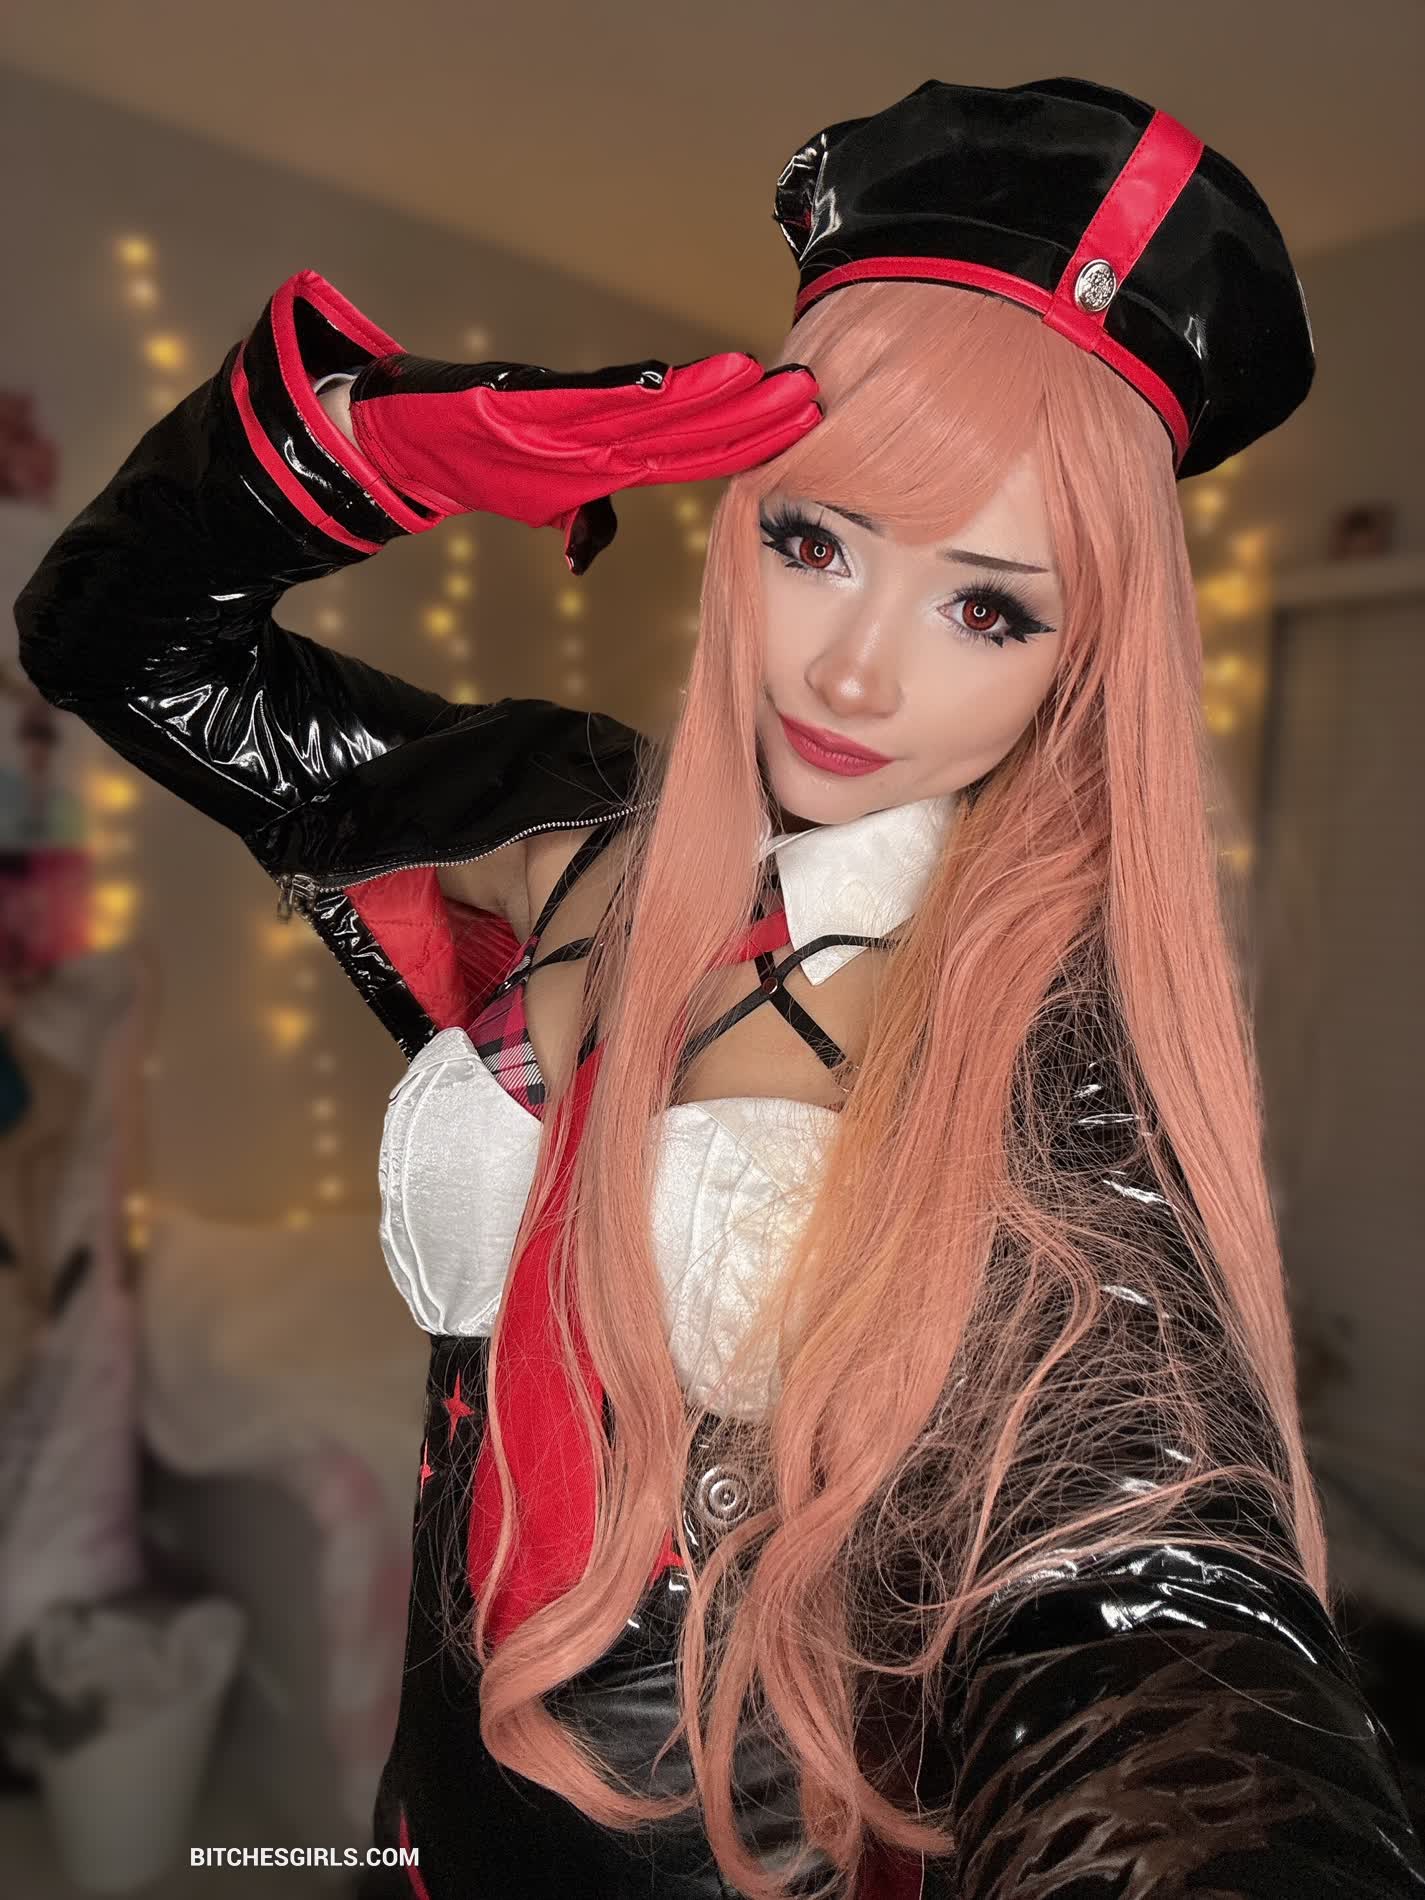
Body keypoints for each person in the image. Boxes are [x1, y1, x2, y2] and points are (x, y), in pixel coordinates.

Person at [15, 72, 1425, 1900]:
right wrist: (377, 449)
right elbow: (109, 639)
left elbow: (1154, 1601)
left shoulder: (1042, 1054)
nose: (852, 674)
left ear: (1081, 663)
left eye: (986, 606)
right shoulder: (552, 823)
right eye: (813, 541)